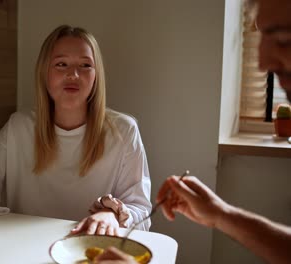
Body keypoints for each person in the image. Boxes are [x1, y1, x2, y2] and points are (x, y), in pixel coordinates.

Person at [97, 0, 291, 262]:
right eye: (261, 34)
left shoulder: (123, 129)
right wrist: (220, 214)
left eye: (282, 37)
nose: (262, 61)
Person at [0, 25, 152, 235]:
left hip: (89, 251)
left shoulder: (124, 131)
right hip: (23, 247)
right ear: (44, 72)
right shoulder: (18, 127)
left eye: (85, 65)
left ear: (96, 76)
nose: (73, 74)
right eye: (61, 64)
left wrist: (113, 215)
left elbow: (142, 211)